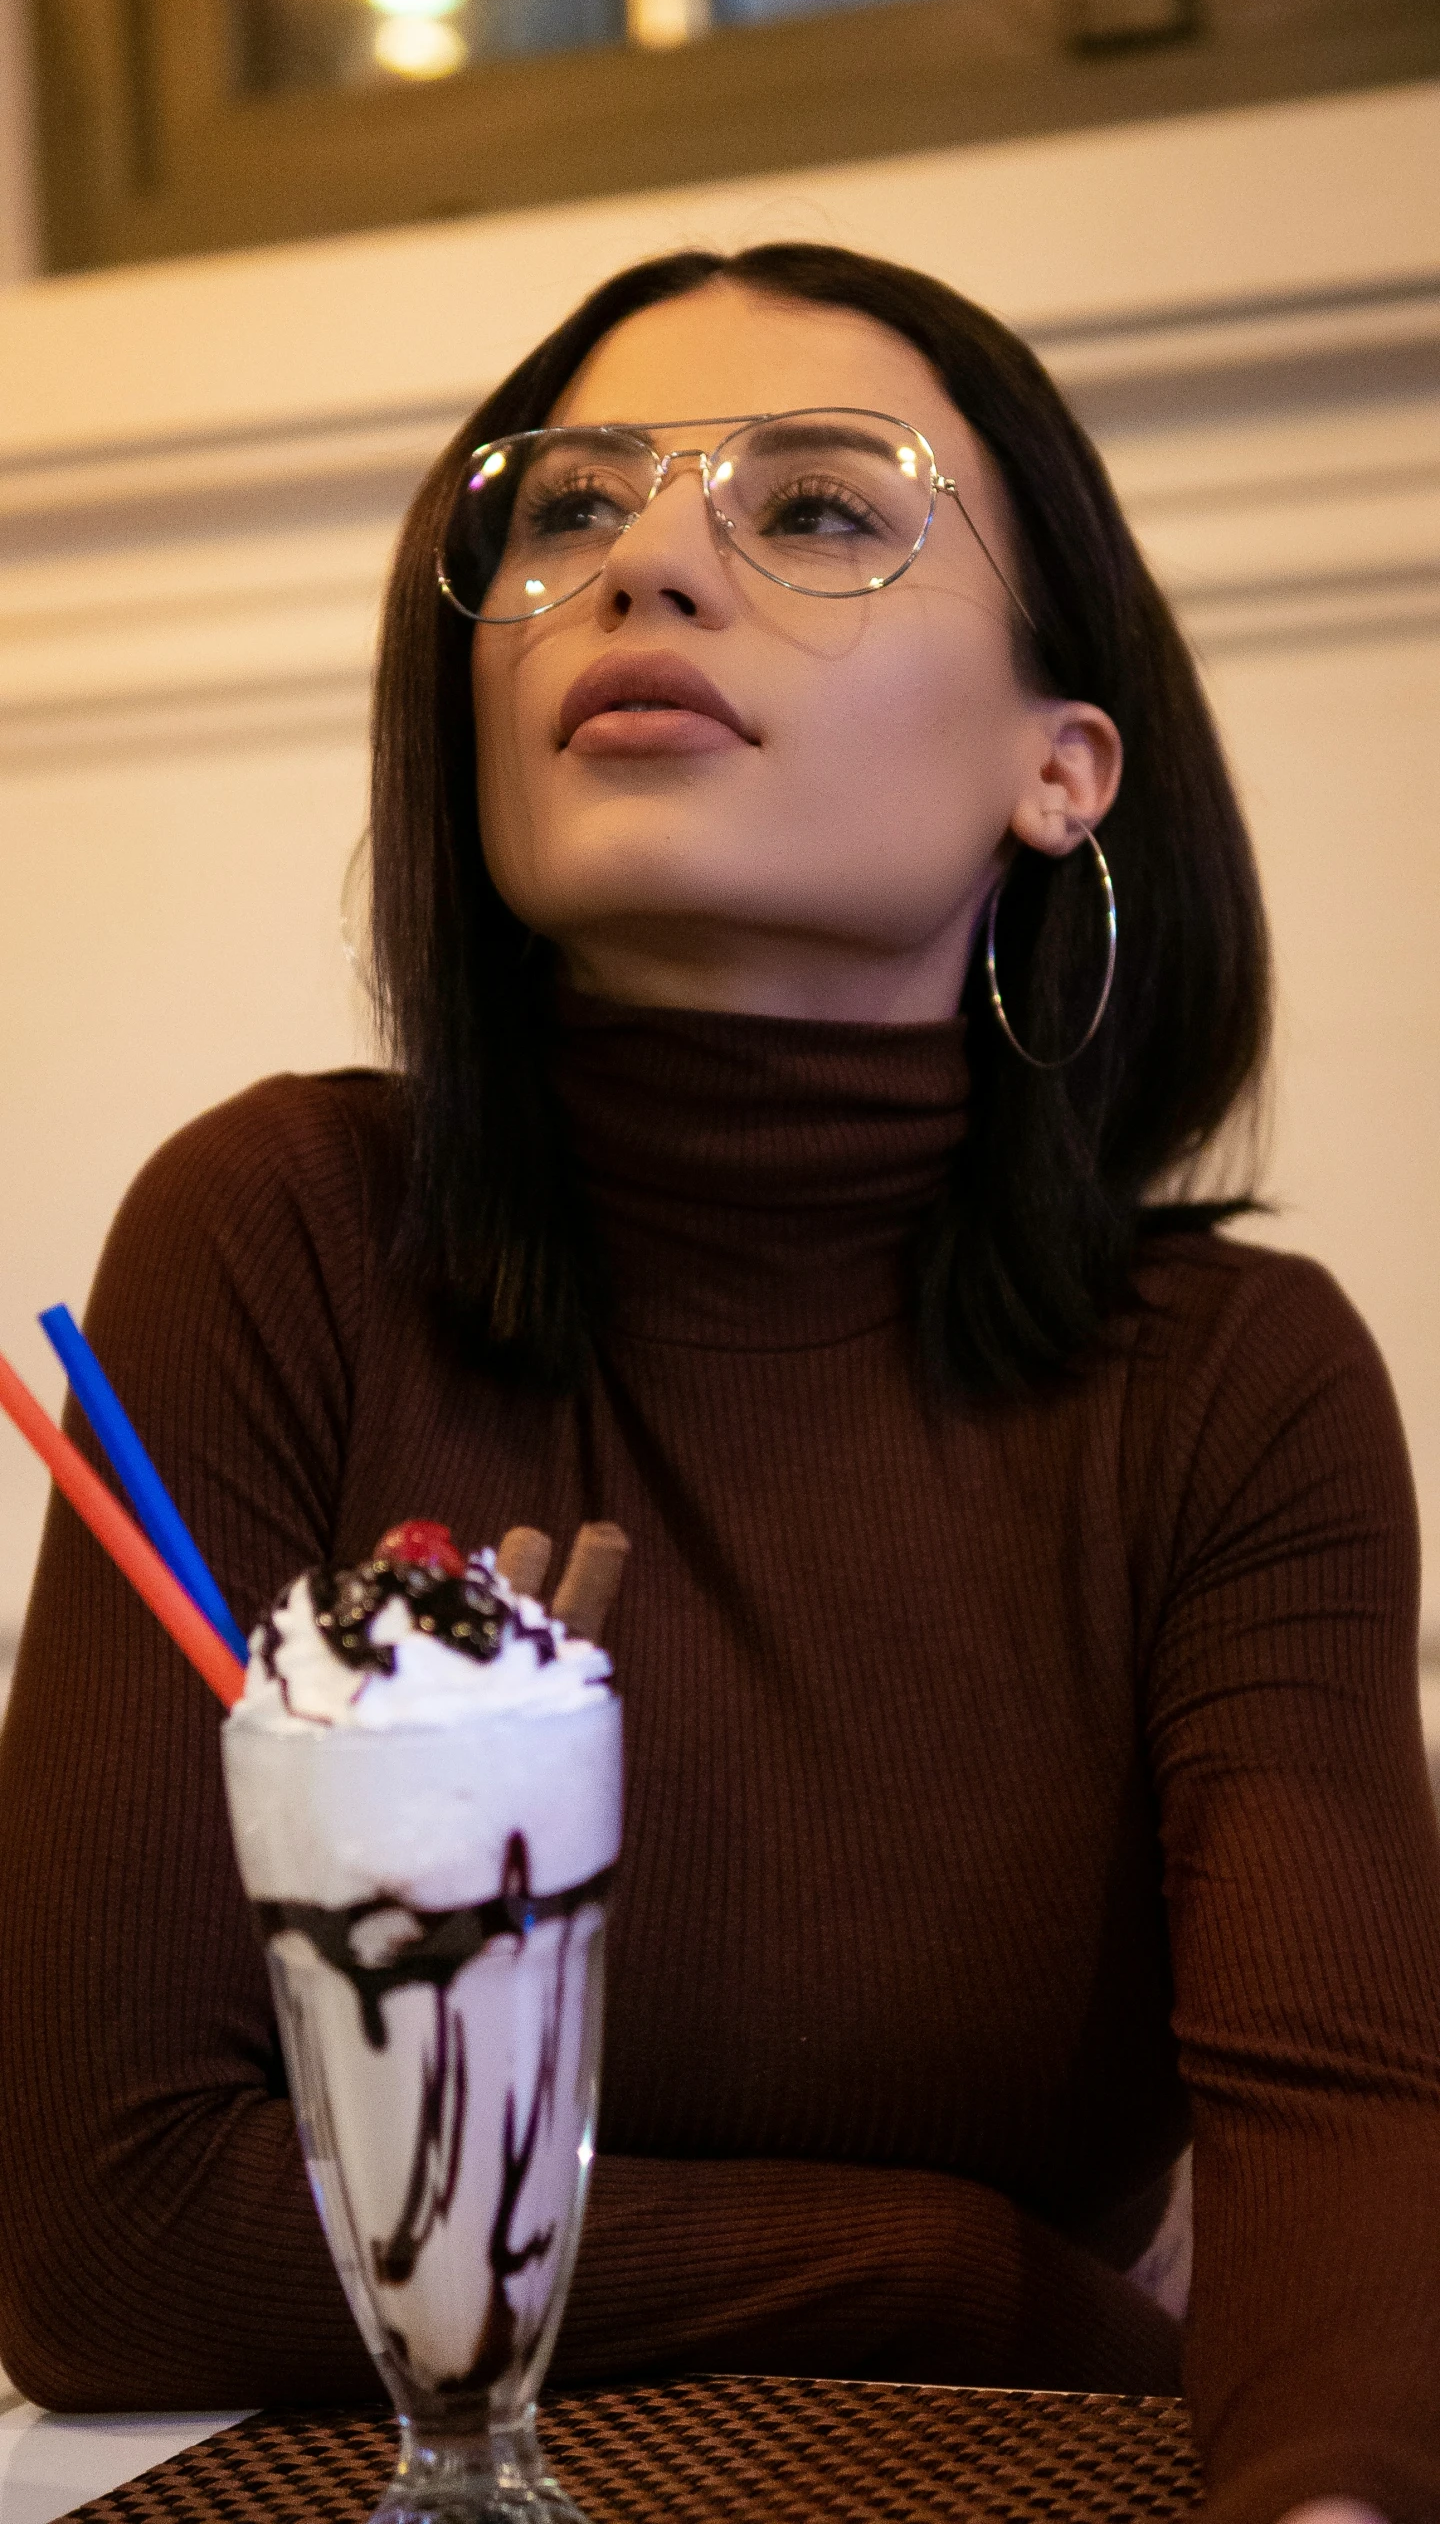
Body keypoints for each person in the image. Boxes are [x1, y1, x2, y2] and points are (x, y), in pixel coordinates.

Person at [0, 243, 1435, 2524]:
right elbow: (108, 2235)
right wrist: (955, 2273)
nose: (641, 555)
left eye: (821, 509)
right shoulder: (272, 1233)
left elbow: (1346, 2156)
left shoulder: (1235, 1388)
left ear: (1061, 767)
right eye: (563, 513)